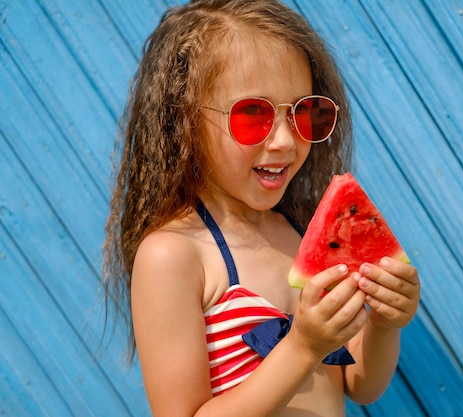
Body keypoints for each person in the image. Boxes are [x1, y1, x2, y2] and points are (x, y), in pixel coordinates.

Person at [102, 1, 420, 416]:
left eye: (305, 112)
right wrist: (303, 346)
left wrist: (385, 322)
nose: (285, 141)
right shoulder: (174, 256)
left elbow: (358, 385)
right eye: (253, 113)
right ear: (185, 120)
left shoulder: (302, 234)